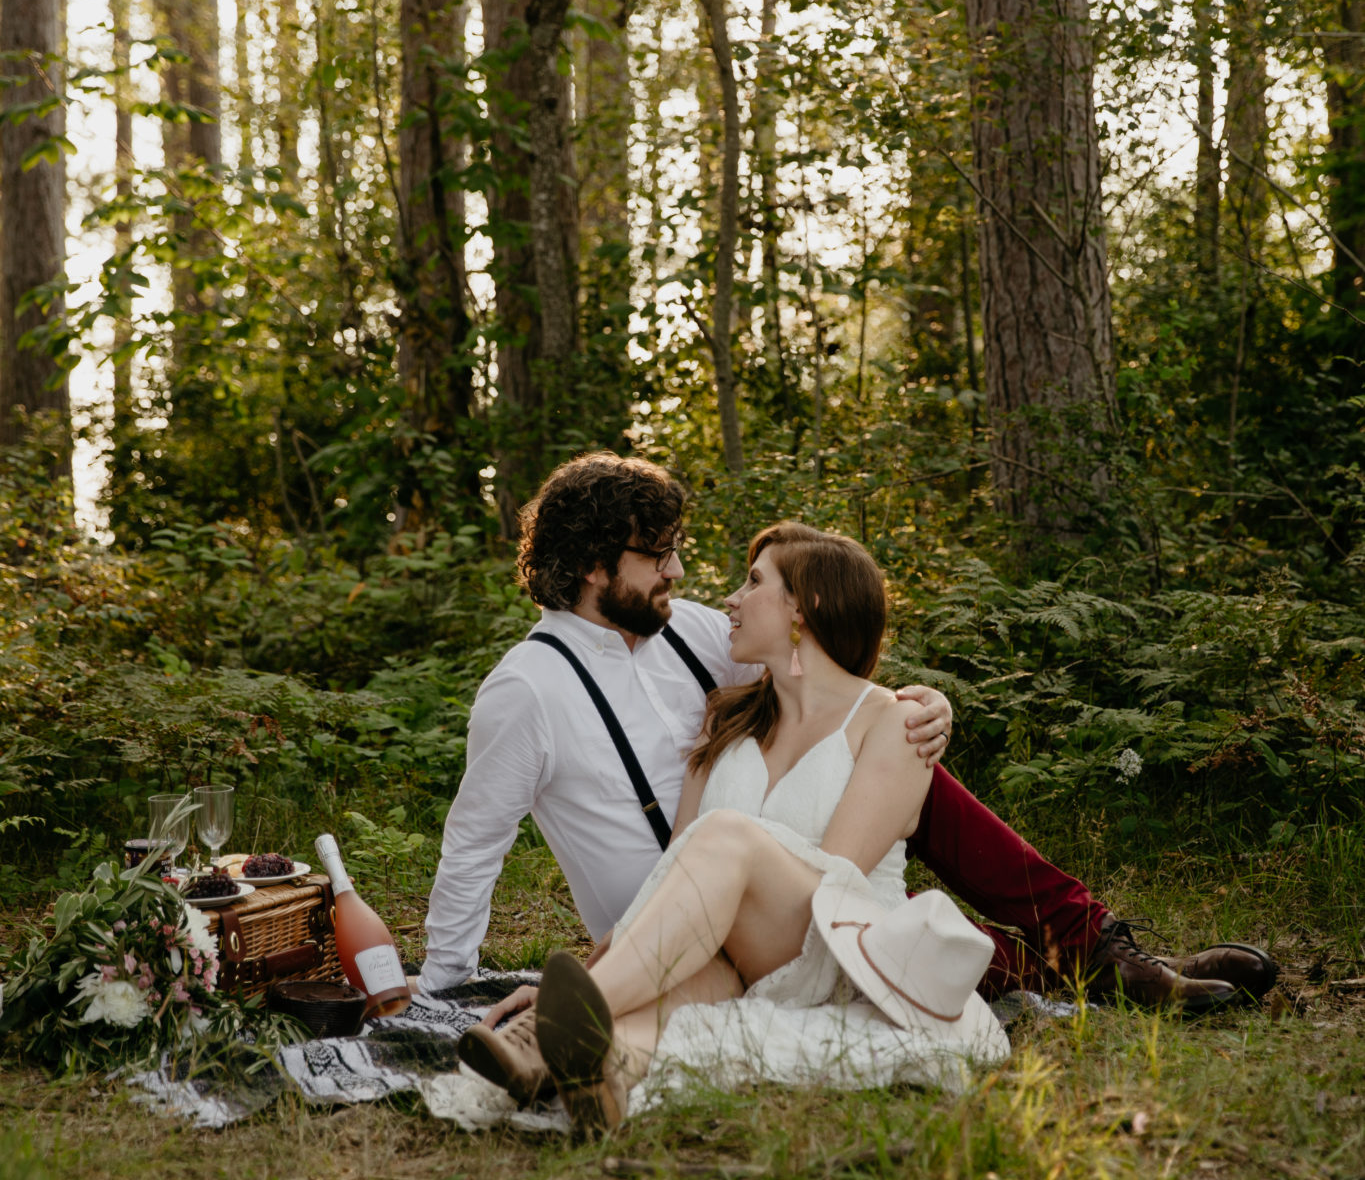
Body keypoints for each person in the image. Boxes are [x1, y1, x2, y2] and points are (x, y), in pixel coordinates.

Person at [419, 453, 1276, 1014]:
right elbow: (471, 847)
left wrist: (917, 700)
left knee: (898, 753)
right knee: (878, 907)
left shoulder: (690, 635)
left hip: (782, 867)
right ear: (597, 568)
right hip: (674, 925)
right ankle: (1085, 974)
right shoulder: (524, 691)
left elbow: (818, 684)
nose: (679, 571)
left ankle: (1099, 952)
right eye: (658, 555)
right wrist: (442, 987)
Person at [460, 521, 1009, 1129]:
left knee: (725, 835)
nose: (730, 598)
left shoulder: (894, 722)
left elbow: (838, 880)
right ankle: (595, 1072)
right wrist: (598, 969)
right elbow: (674, 866)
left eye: (752, 582)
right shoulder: (727, 720)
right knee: (659, 1000)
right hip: (735, 955)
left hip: (830, 946)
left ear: (805, 605)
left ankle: (564, 1023)